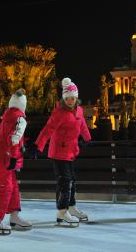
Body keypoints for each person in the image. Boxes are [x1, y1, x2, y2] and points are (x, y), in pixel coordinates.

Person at [32, 78, 91, 226]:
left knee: (72, 181)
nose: (70, 101)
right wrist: (38, 145)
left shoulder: (79, 110)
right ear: (63, 99)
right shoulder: (59, 113)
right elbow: (48, 129)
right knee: (65, 182)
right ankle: (62, 211)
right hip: (58, 153)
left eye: (73, 98)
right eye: (67, 98)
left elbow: (82, 124)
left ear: (76, 98)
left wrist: (87, 138)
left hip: (71, 152)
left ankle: (71, 207)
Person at [0, 89, 32, 235]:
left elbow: (12, 137)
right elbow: (14, 138)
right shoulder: (20, 118)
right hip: (4, 157)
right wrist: (14, 157)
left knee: (12, 187)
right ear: (23, 105)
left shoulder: (8, 116)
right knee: (5, 187)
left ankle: (14, 217)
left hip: (1, 155)